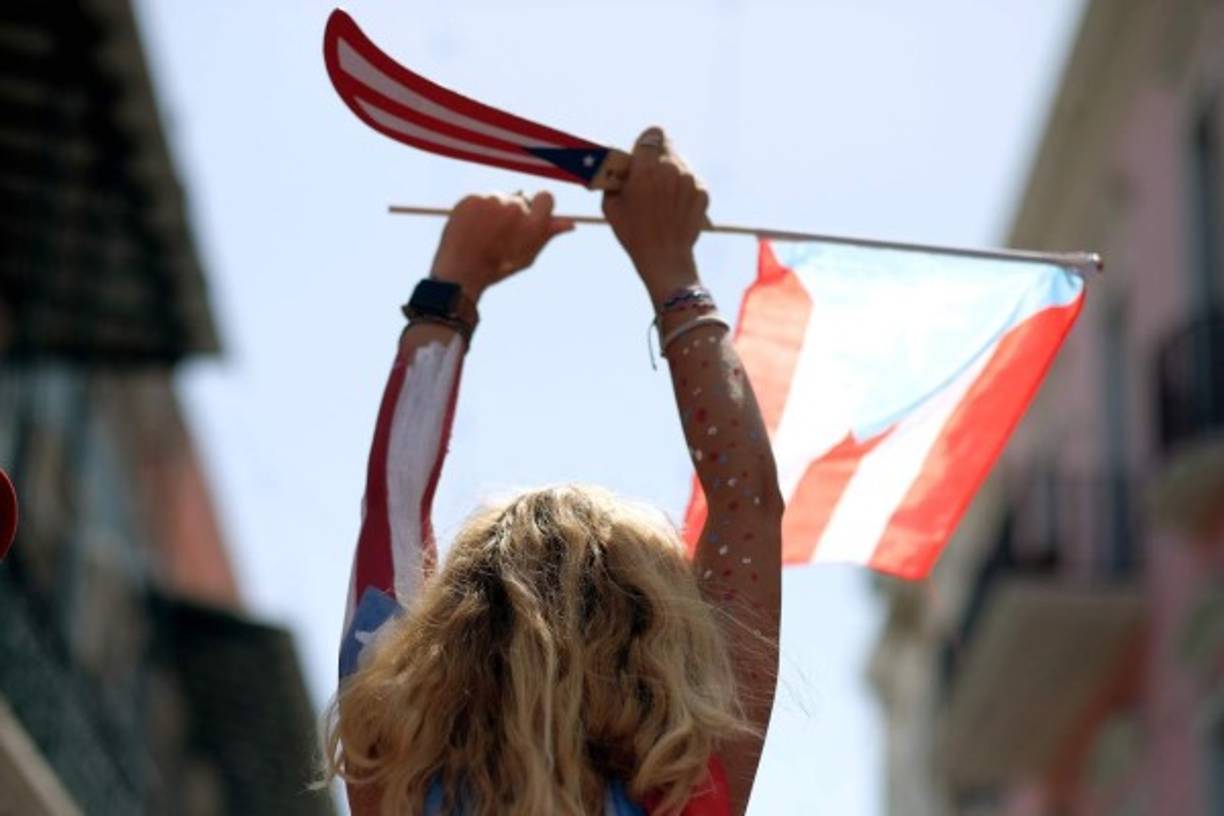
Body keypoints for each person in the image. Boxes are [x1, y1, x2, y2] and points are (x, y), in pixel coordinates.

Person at [324, 127, 784, 815]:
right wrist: (672, 267)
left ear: (454, 627)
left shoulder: (392, 753)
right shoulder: (689, 776)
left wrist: (451, 285)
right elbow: (749, 502)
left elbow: (391, 503)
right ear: (664, 638)